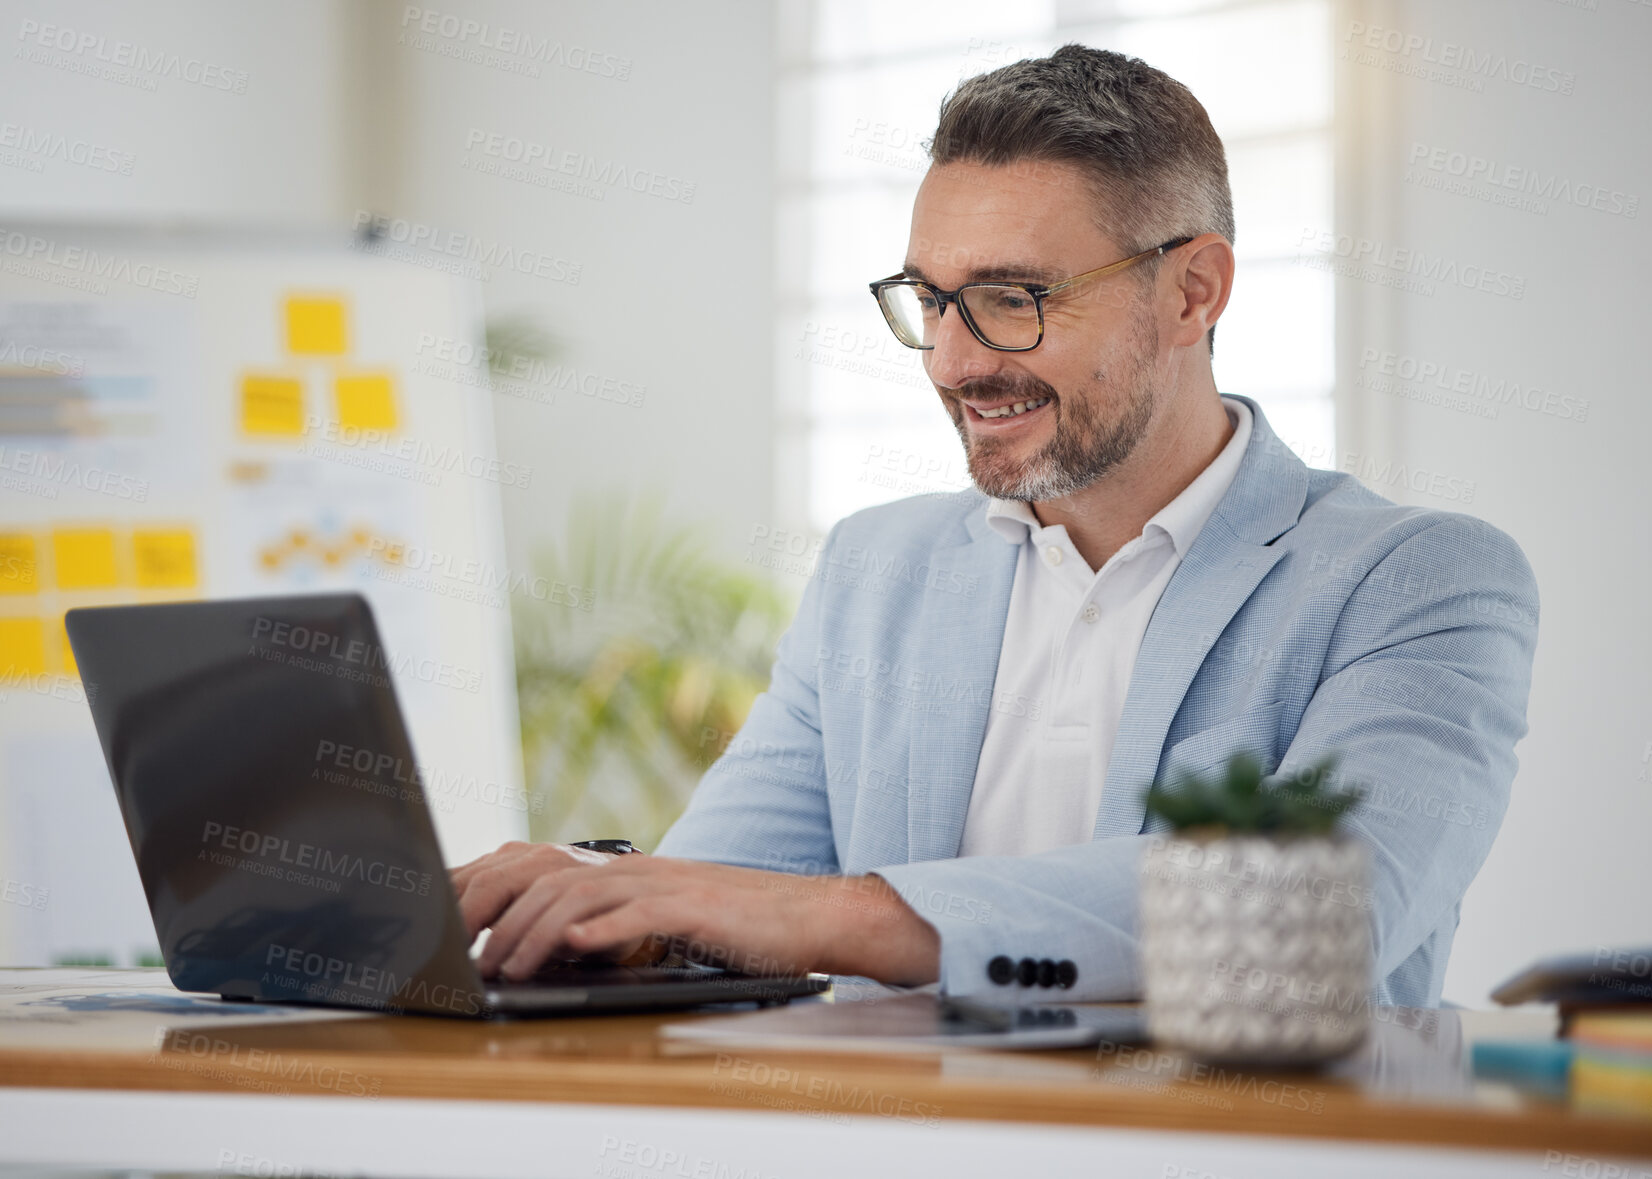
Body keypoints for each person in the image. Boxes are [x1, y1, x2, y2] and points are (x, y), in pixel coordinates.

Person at [451, 45, 1537, 1005]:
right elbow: (723, 898)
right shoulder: (875, 570)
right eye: (930, 299)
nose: (958, 361)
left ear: (1194, 292)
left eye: (1014, 296)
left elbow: (1316, 919)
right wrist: (584, 909)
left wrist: (834, 917)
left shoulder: (1416, 580)